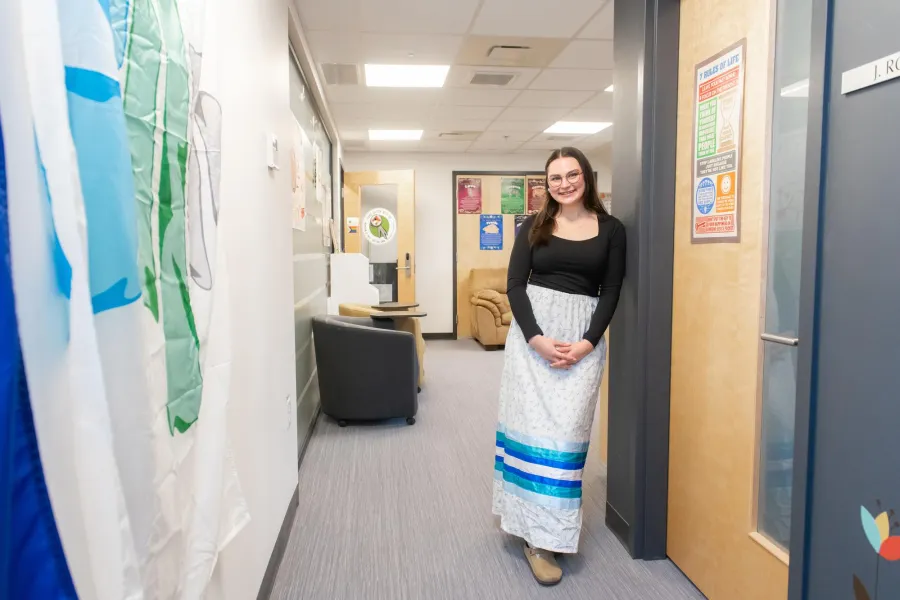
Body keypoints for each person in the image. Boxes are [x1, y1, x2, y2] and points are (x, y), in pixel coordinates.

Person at [492, 147, 626, 586]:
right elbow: (515, 285)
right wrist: (536, 339)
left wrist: (588, 343)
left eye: (572, 175)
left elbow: (609, 291)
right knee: (531, 434)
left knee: (566, 441)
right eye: (555, 178)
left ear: (586, 176)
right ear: (545, 184)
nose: (564, 183)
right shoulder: (533, 226)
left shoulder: (612, 230)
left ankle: (552, 529)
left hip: (582, 343)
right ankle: (536, 538)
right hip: (533, 341)